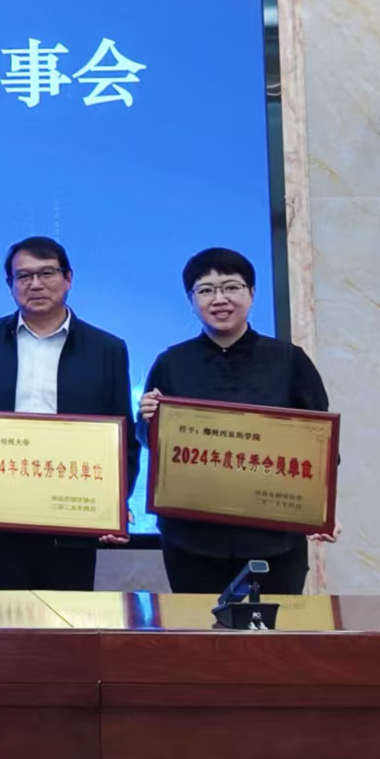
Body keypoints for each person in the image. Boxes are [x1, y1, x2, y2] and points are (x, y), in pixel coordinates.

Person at [0, 235, 134, 590]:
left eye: (47, 273)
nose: (36, 284)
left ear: (68, 278)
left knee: (68, 617)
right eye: (24, 276)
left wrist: (117, 501)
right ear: (10, 284)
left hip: (73, 515)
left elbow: (122, 433)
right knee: (2, 615)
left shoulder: (107, 349)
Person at [140, 247, 335, 596]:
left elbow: (321, 444)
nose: (220, 299)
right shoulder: (171, 363)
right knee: (198, 628)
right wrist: (148, 419)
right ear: (191, 300)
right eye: (206, 290)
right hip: (191, 539)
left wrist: (320, 508)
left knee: (271, 629)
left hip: (274, 540)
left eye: (231, 287)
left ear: (252, 294)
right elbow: (149, 440)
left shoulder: (289, 361)